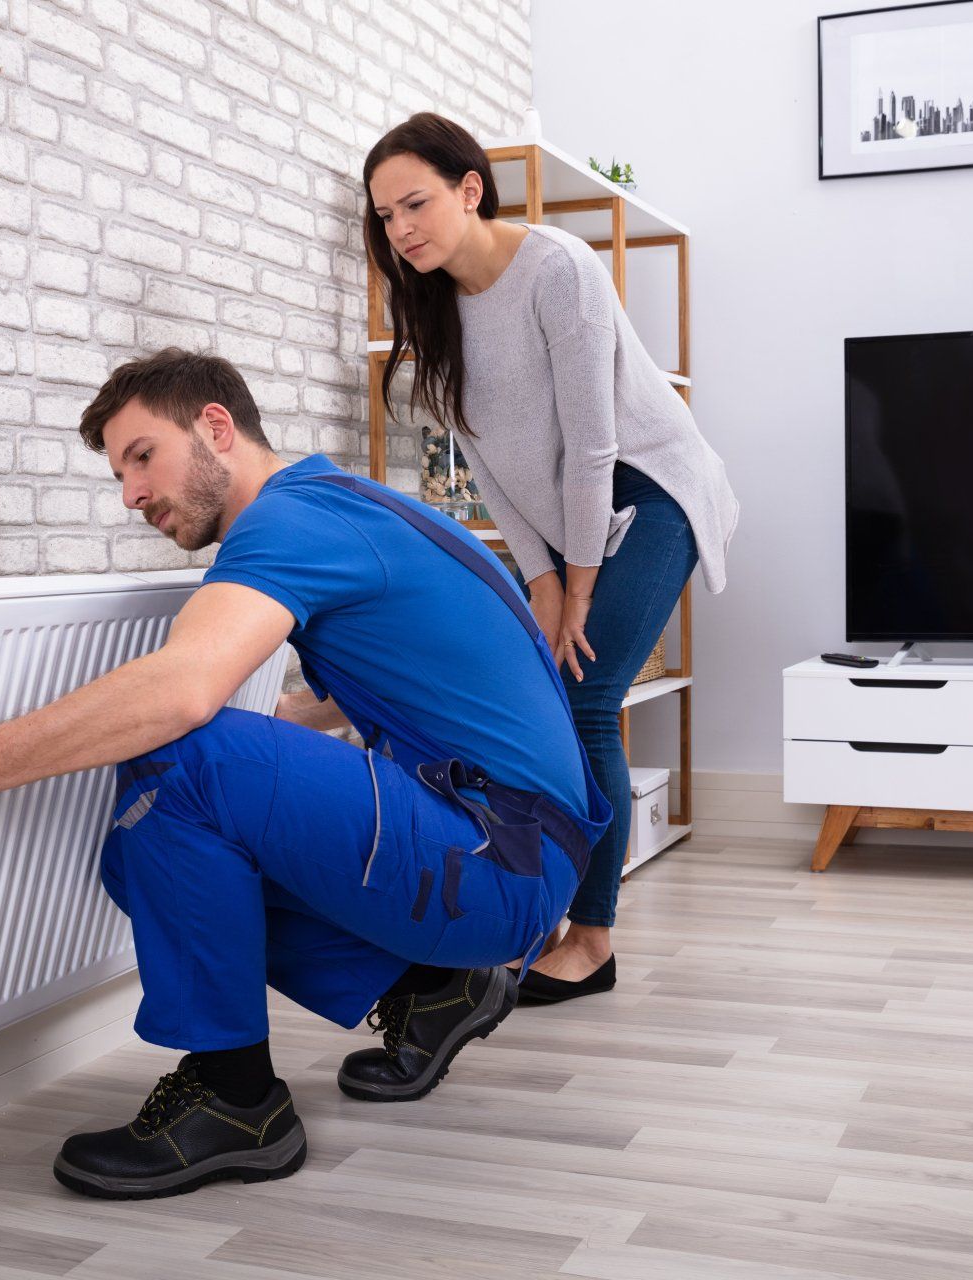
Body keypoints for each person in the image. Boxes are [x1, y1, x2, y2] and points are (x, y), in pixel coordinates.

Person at [0, 349, 610, 1200]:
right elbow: (388, 698)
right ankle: (429, 990)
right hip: (515, 846)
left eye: (141, 456)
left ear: (215, 427)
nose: (130, 493)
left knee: (182, 762)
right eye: (119, 472)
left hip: (501, 860)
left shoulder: (290, 523)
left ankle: (238, 1103)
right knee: (143, 847)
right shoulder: (342, 507)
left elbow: (183, 694)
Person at [363, 113, 738, 1006]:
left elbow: (594, 442)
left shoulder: (559, 268)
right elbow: (484, 460)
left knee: (588, 694)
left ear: (469, 188)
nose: (400, 228)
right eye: (383, 216)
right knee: (558, 696)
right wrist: (540, 580)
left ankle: (594, 940)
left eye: (414, 203)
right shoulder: (434, 307)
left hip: (651, 491)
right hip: (572, 522)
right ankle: (560, 917)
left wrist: (578, 585)